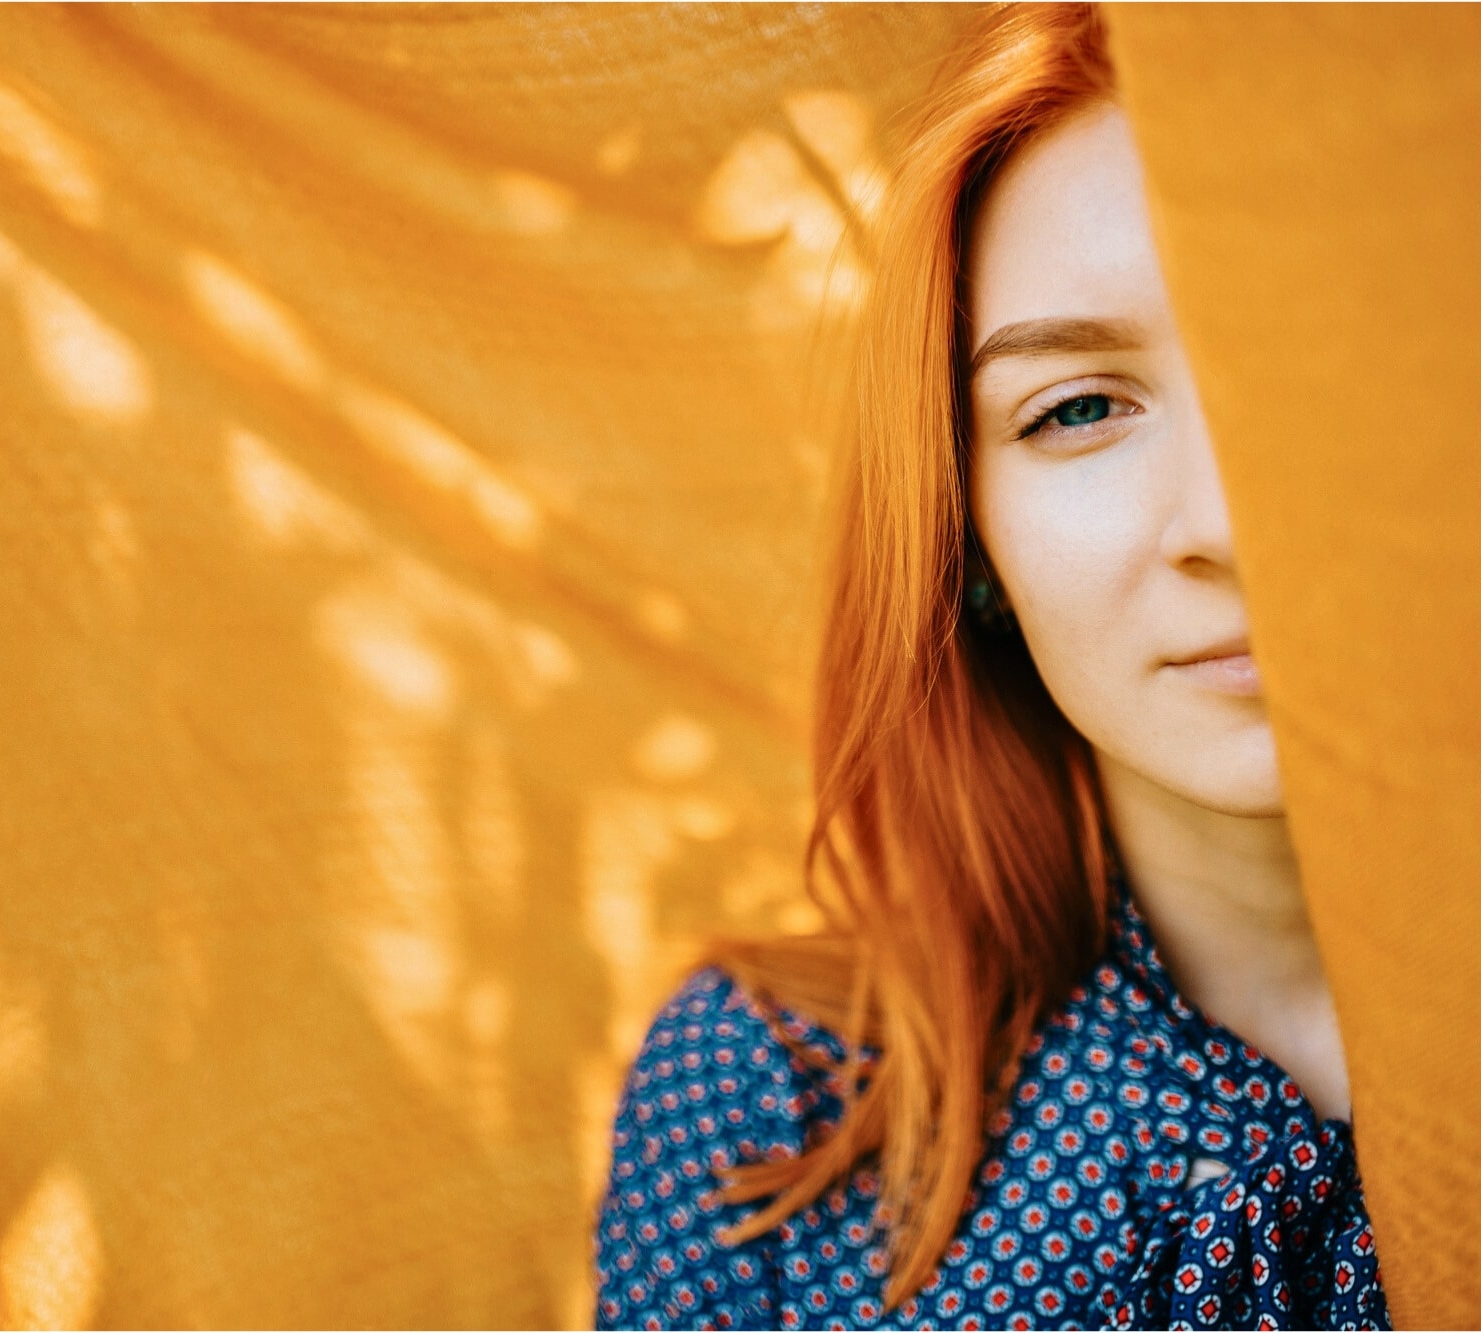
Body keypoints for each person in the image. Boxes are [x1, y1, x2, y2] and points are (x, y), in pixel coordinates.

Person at [592, 5, 1389, 1329]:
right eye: (1077, 408)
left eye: (1309, 368)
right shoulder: (772, 1101)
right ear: (971, 540)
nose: (1231, 530)